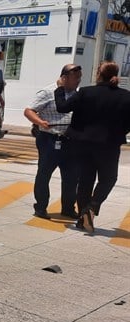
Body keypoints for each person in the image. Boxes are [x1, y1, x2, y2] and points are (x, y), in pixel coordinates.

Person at [54, 61, 130, 233]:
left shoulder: (86, 92)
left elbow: (62, 108)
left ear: (98, 74)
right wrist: (119, 132)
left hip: (82, 143)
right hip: (109, 145)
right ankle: (91, 208)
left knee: (85, 181)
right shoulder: (126, 96)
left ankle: (83, 217)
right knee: (109, 178)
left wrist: (60, 89)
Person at [23, 64, 82, 220]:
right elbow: (29, 111)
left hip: (70, 141)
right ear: (64, 78)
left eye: (79, 78)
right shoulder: (47, 92)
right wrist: (40, 122)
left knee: (71, 176)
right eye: (75, 78)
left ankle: (68, 208)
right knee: (44, 173)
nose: (78, 81)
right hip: (49, 139)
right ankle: (41, 207)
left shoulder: (76, 95)